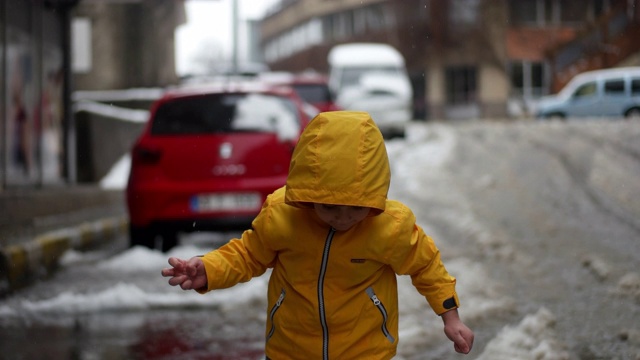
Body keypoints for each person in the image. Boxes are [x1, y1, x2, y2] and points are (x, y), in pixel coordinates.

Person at [162, 111, 474, 359]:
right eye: (328, 207)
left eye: (355, 208)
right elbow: (247, 255)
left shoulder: (390, 226)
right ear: (308, 194)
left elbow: (426, 266)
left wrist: (450, 316)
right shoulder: (282, 216)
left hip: (366, 352)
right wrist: (209, 268)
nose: (342, 218)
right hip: (289, 350)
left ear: (374, 196)